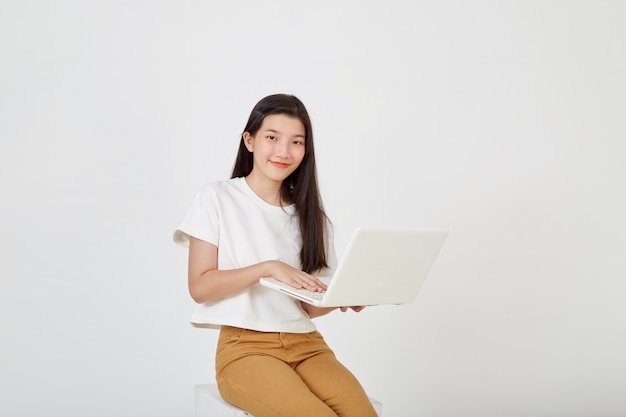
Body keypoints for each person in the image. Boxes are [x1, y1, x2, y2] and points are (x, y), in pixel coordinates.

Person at [173, 94, 378, 417]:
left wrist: (340, 296)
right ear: (250, 140)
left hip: (307, 345)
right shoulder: (216, 197)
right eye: (272, 138)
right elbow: (200, 287)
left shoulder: (312, 217)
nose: (284, 151)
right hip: (245, 348)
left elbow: (308, 306)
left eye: (296, 142)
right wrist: (267, 268)